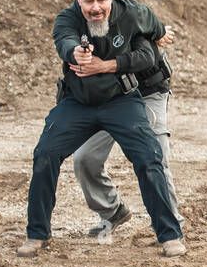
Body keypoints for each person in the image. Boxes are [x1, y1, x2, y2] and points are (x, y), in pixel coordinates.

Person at [18, 0, 186, 258]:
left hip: (124, 100)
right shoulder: (67, 19)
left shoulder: (133, 13)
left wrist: (155, 36)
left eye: (101, 0)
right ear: (78, 0)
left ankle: (170, 233)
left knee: (151, 157)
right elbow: (65, 41)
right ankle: (37, 234)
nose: (95, 7)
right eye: (88, 2)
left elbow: (153, 35)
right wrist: (76, 54)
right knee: (45, 153)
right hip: (78, 103)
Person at [71, 20, 182, 238]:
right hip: (110, 98)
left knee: (154, 156)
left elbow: (144, 49)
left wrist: (156, 30)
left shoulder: (129, 15)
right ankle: (113, 210)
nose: (95, 8)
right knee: (84, 157)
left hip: (148, 92)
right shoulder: (74, 25)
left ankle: (171, 225)